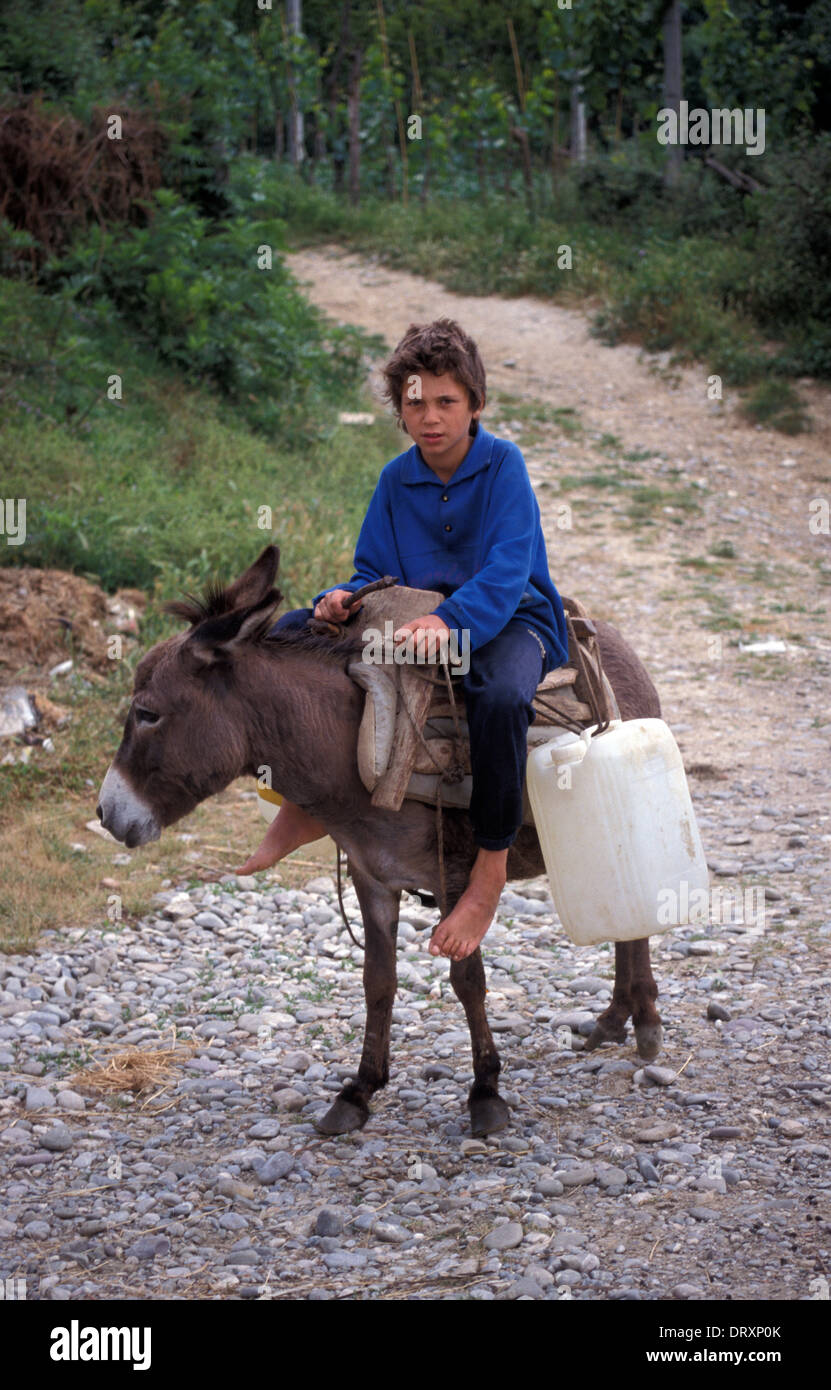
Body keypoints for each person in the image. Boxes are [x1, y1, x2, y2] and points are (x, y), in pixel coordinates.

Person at [237, 318, 569, 962]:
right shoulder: (396, 479)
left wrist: (449, 622)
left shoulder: (504, 466)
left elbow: (506, 572)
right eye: (415, 402)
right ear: (399, 407)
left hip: (508, 621)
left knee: (498, 697)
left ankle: (490, 870)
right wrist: (343, 599)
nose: (431, 417)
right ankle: (303, 800)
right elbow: (373, 572)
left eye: (447, 401)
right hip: (411, 622)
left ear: (476, 403)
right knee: (285, 635)